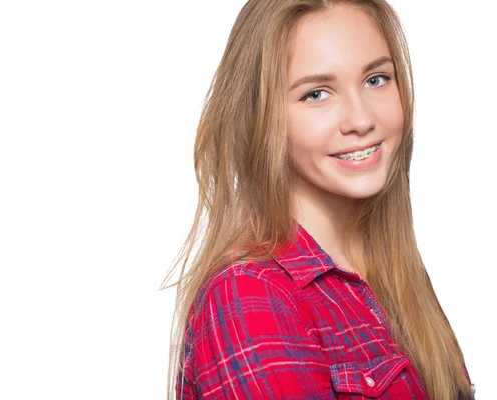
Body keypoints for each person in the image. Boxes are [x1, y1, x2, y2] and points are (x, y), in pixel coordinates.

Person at [160, 0, 475, 398]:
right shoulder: (251, 292)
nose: (361, 120)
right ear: (262, 117)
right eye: (317, 94)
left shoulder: (388, 271)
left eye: (376, 79)